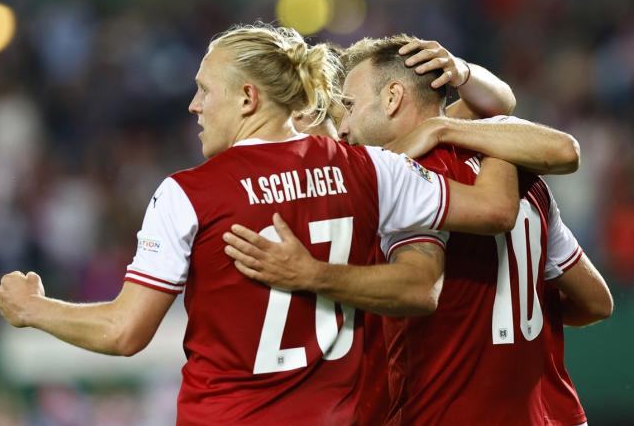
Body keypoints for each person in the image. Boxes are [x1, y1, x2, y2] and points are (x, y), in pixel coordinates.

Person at [0, 23, 528, 425]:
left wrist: (32, 309)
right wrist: (465, 128)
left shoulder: (188, 194)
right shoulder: (372, 168)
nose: (193, 105)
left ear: (248, 97)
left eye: (206, 90)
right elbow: (493, 211)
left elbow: (123, 332)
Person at [223, 35, 613, 425]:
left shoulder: (405, 181)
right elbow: (596, 303)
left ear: (392, 98)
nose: (342, 124)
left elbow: (423, 282)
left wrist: (310, 274)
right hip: (554, 415)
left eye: (350, 106)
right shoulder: (518, 169)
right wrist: (519, 326)